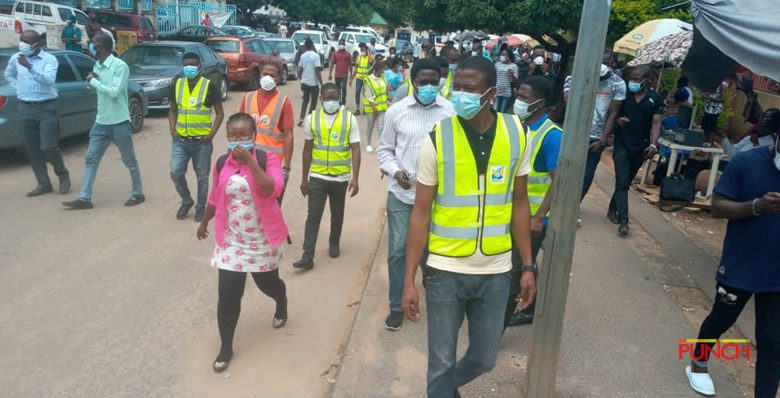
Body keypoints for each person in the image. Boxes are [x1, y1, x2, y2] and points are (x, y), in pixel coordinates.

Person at [401, 56, 536, 397]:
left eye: (469, 88)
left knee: (485, 357)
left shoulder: (517, 133)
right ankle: (441, 390)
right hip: (445, 269)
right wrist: (409, 281)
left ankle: (441, 390)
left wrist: (528, 265)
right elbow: (420, 212)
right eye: (456, 86)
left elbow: (521, 203)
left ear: (491, 93)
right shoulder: (438, 138)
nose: (459, 94)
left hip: (495, 269)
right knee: (441, 361)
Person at [684, 137, 780, 398]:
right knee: (720, 320)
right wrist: (757, 206)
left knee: (773, 341)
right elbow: (717, 207)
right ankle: (698, 365)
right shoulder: (747, 162)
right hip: (741, 264)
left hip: (777, 274)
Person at [196, 113, 289, 374]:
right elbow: (215, 196)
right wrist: (204, 222)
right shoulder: (222, 162)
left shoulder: (265, 158)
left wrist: (250, 162)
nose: (238, 140)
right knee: (227, 295)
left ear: (254, 136)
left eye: (244, 135)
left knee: (267, 284)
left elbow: (272, 188)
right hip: (232, 242)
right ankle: (226, 346)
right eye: (233, 136)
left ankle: (281, 300)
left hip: (262, 240)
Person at [376, 58, 454, 331]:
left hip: (437, 198)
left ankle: (432, 300)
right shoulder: (397, 111)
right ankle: (397, 305)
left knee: (432, 252)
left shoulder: (451, 111)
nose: (430, 86)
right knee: (398, 251)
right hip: (402, 195)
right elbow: (384, 149)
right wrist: (397, 172)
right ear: (413, 82)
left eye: (435, 81)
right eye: (424, 82)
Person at [505, 76, 563, 327]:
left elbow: (558, 181)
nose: (518, 101)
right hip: (511, 211)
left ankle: (498, 325)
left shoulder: (552, 136)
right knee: (521, 263)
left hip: (532, 218)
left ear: (540, 102)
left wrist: (539, 217)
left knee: (513, 269)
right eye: (518, 95)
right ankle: (530, 309)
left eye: (524, 98)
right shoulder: (516, 126)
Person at [63, 33, 143, 209]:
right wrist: (95, 82)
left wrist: (94, 82)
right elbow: (101, 91)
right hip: (102, 121)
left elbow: (115, 92)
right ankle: (84, 198)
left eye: (95, 44)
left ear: (103, 46)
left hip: (119, 121)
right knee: (91, 158)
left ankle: (138, 193)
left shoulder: (120, 66)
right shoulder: (97, 65)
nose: (92, 47)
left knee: (129, 159)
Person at [293, 83, 361, 270]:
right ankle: (308, 255)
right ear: (321, 99)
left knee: (337, 213)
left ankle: (334, 241)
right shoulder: (312, 119)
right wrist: (303, 179)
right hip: (318, 176)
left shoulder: (349, 119)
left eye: (335, 97)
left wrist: (355, 178)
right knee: (313, 215)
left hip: (340, 177)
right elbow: (307, 150)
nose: (331, 101)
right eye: (328, 98)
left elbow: (355, 149)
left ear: (339, 97)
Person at [4, 30, 70, 197]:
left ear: (37, 44)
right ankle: (43, 182)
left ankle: (62, 174)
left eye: (26, 42)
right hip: (25, 107)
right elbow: (8, 74)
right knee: (31, 148)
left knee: (48, 146)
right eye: (21, 40)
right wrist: (18, 86)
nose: (22, 45)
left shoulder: (49, 60)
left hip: (46, 107)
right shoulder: (16, 58)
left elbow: (48, 80)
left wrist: (30, 67)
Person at [564, 49, 626, 220]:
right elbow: (569, 100)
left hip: (597, 137)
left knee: (587, 173)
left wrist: (603, 139)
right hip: (574, 134)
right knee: (567, 169)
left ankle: (574, 206)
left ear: (612, 62)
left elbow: (613, 113)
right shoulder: (574, 77)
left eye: (606, 61)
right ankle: (562, 202)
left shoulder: (618, 84)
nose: (602, 65)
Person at [168, 52, 225, 222]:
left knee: (202, 177)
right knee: (176, 172)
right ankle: (186, 200)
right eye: (186, 65)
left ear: (199, 66)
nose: (189, 68)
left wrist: (211, 134)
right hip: (180, 140)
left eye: (192, 65)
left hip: (202, 142)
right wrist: (173, 130)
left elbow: (220, 113)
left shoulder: (209, 86)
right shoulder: (177, 84)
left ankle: (201, 208)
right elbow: (172, 109)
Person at [608, 65, 663, 235]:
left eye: (637, 79)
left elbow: (656, 123)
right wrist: (618, 121)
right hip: (622, 143)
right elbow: (612, 114)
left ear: (646, 80)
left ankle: (612, 208)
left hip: (641, 146)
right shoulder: (624, 94)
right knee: (622, 181)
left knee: (625, 181)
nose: (632, 82)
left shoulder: (656, 99)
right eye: (631, 78)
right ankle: (624, 221)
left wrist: (654, 144)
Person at [240, 62, 295, 185]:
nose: (268, 78)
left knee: (272, 200)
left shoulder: (284, 102)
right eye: (265, 74)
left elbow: (288, 135)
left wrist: (286, 167)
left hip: (273, 163)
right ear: (260, 75)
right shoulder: (248, 98)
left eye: (273, 75)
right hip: (249, 159)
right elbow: (238, 128)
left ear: (279, 78)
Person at [362, 60, 388, 152]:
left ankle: (380, 145)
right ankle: (368, 143)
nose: (384, 70)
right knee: (370, 126)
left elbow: (385, 91)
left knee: (381, 127)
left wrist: (388, 100)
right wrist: (373, 107)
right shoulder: (368, 79)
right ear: (378, 69)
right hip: (371, 108)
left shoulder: (383, 78)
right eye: (382, 68)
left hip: (382, 107)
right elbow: (368, 95)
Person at [298, 39, 322, 127]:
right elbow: (317, 70)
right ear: (312, 45)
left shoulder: (303, 56)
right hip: (313, 83)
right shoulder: (316, 56)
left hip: (304, 81)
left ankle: (301, 117)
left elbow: (300, 68)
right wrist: (321, 82)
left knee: (305, 100)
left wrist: (299, 77)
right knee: (314, 101)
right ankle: (309, 118)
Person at [351, 43, 373, 115]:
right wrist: (351, 78)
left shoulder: (369, 57)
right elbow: (356, 68)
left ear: (366, 49)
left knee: (365, 94)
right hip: (359, 78)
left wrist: (368, 52)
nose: (361, 50)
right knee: (357, 92)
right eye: (360, 49)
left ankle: (364, 109)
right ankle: (357, 109)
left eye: (363, 49)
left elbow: (371, 62)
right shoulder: (359, 57)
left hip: (366, 79)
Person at [494, 48, 518, 112]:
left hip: (506, 92)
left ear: (509, 56)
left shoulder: (513, 66)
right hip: (497, 91)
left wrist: (512, 74)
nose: (502, 56)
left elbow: (515, 80)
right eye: (501, 54)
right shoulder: (497, 64)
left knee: (502, 112)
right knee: (495, 110)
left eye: (504, 54)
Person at [329, 39, 352, 106]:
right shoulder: (335, 54)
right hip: (337, 75)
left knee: (344, 88)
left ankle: (343, 103)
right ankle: (338, 101)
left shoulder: (348, 54)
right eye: (340, 44)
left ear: (344, 45)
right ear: (338, 45)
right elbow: (332, 64)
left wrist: (350, 74)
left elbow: (350, 64)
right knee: (337, 88)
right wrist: (330, 73)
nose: (341, 45)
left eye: (342, 44)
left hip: (345, 74)